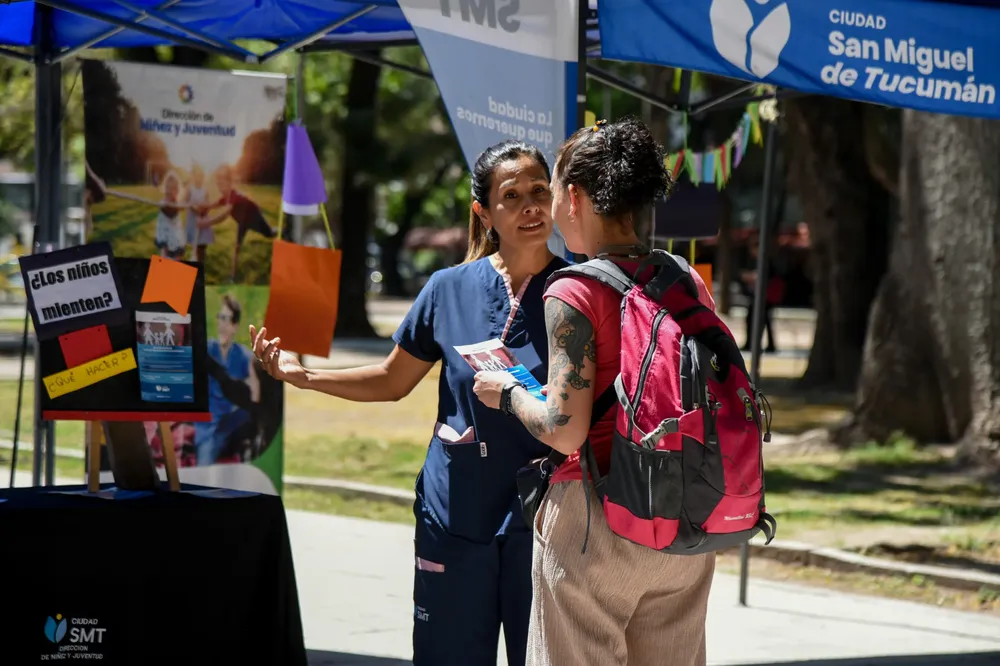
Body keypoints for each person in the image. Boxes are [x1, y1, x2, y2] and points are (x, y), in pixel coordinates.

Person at [248, 140, 568, 666]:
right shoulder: (448, 288)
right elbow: (392, 379)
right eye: (512, 195)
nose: (531, 206)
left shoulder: (577, 289)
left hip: (544, 521)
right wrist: (304, 376)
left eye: (539, 190)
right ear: (483, 212)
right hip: (455, 513)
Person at [473, 118, 717, 666]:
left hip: (596, 515)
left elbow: (566, 430)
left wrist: (507, 394)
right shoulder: (685, 278)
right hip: (683, 515)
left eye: (554, 190)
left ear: (575, 196)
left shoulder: (573, 289)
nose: (553, 205)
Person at [195, 293, 260, 466]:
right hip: (207, 425)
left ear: (235, 326)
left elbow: (255, 389)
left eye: (227, 319)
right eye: (220, 318)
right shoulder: (207, 349)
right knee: (204, 460)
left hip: (228, 423)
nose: (222, 324)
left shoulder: (241, 354)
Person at [198, 164, 277, 282]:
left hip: (255, 218)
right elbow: (211, 205)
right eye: (219, 185)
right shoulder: (225, 198)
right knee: (237, 247)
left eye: (223, 184)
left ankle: (277, 230)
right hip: (243, 223)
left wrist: (206, 223)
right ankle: (233, 276)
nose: (220, 188)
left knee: (269, 234)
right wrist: (196, 206)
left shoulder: (233, 196)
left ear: (230, 184)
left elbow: (224, 215)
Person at [184, 163, 212, 263]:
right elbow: (185, 202)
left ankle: (201, 260)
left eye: (201, 176)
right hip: (193, 219)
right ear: (194, 176)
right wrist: (193, 207)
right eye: (197, 175)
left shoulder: (205, 190)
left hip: (203, 219)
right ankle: (193, 257)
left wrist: (204, 209)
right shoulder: (190, 189)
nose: (199, 178)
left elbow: (208, 204)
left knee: (202, 244)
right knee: (194, 242)